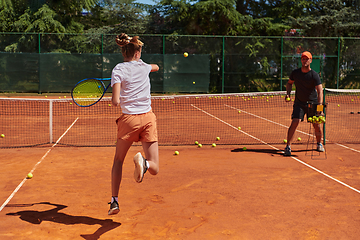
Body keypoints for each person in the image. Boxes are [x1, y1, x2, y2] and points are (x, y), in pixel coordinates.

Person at [108, 33, 160, 215]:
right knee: (155, 167)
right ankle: (145, 165)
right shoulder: (144, 67)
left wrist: (118, 87)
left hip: (129, 121)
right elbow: (156, 66)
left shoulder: (118, 70)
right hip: (147, 119)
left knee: (118, 160)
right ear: (138, 53)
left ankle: (114, 201)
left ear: (123, 52)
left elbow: (115, 101)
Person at [284, 51, 324, 156]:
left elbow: (320, 91)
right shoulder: (295, 73)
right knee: (295, 121)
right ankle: (288, 146)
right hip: (299, 103)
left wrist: (320, 108)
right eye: (303, 58)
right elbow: (289, 83)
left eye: (307, 59)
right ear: (301, 60)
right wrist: (288, 94)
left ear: (310, 60)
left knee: (316, 125)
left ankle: (319, 143)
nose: (304, 60)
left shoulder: (314, 75)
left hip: (312, 103)